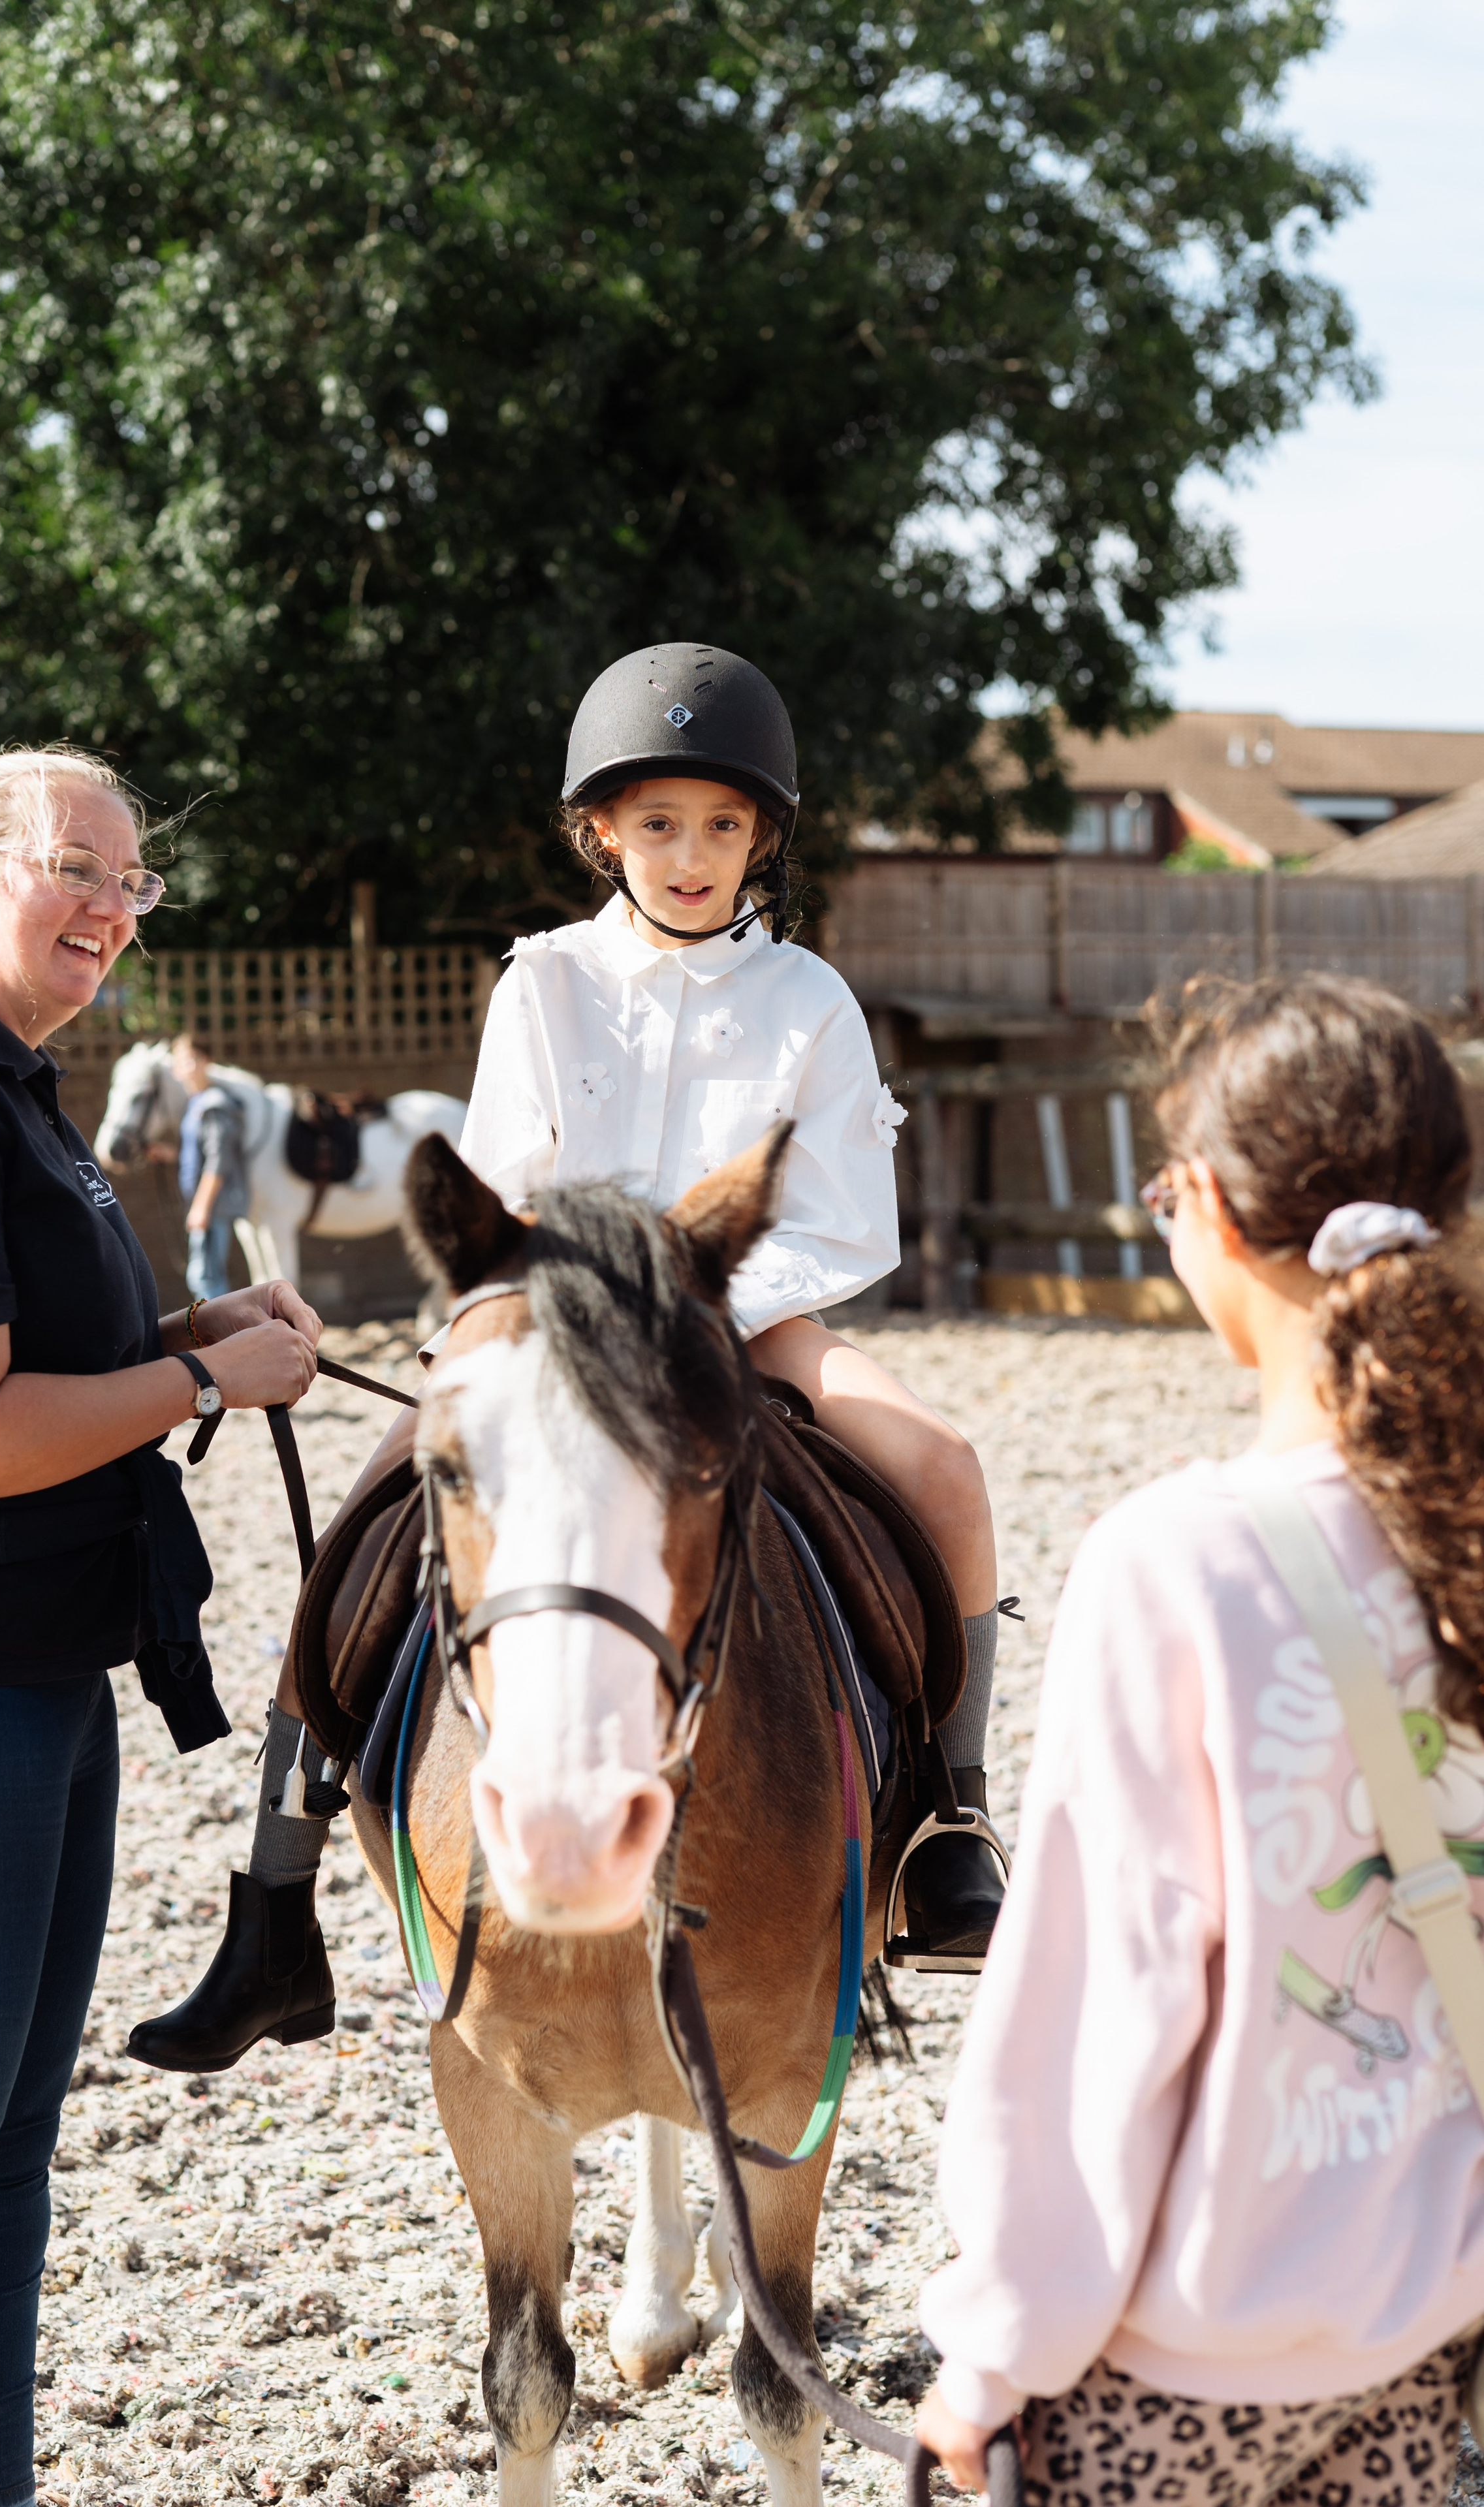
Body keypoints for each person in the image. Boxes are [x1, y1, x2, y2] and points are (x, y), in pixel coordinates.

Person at [128, 642, 1003, 2077]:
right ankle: (270, 1910)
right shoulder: (539, 985)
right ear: (601, 830)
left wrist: (690, 1310)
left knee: (944, 1468)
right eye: (658, 823)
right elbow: (502, 1176)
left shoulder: (811, 1004)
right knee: (361, 1527)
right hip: (546, 1316)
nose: (690, 853)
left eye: (722, 827)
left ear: (760, 840)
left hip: (749, 1319)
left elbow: (845, 1221)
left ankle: (945, 1825)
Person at [0, 746, 321, 2504]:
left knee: (3, 2152)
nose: (112, 907)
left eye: (133, 882)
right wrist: (200, 1372)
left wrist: (197, 1319)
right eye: (76, 870)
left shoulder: (3, 1080)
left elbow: (33, 1357)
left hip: (35, 1666)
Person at [915, 972, 1484, 2507]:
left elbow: (1100, 2007)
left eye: (1162, 1184)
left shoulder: (1176, 1558)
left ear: (1214, 1215)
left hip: (1178, 2360)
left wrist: (992, 2343)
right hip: (1424, 2331)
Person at [174, 1033, 249, 1301]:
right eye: (181, 1062)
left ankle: (215, 1338)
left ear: (206, 1061)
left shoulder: (215, 1104)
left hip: (214, 1205)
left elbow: (219, 1159)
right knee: (204, 1273)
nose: (187, 1068)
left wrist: (201, 1207)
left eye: (192, 1060)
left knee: (205, 1274)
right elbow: (200, 1153)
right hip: (204, 1202)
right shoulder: (196, 1103)